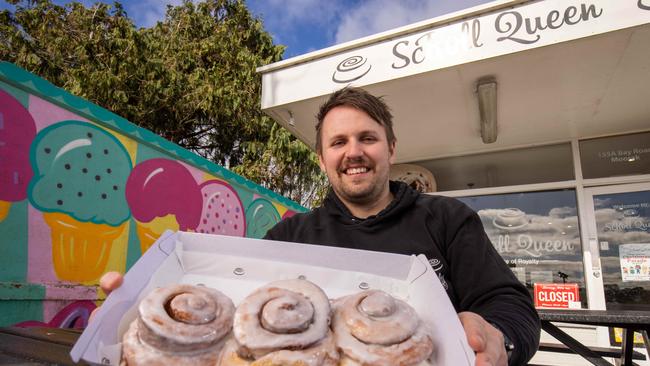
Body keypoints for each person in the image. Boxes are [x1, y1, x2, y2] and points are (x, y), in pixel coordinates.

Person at [98, 87, 540, 366]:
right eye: (338, 142)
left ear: (391, 147)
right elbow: (239, 318)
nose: (355, 152)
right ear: (323, 157)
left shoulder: (447, 218)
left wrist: (499, 338)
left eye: (367, 138)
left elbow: (509, 304)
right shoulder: (290, 237)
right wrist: (137, 313)